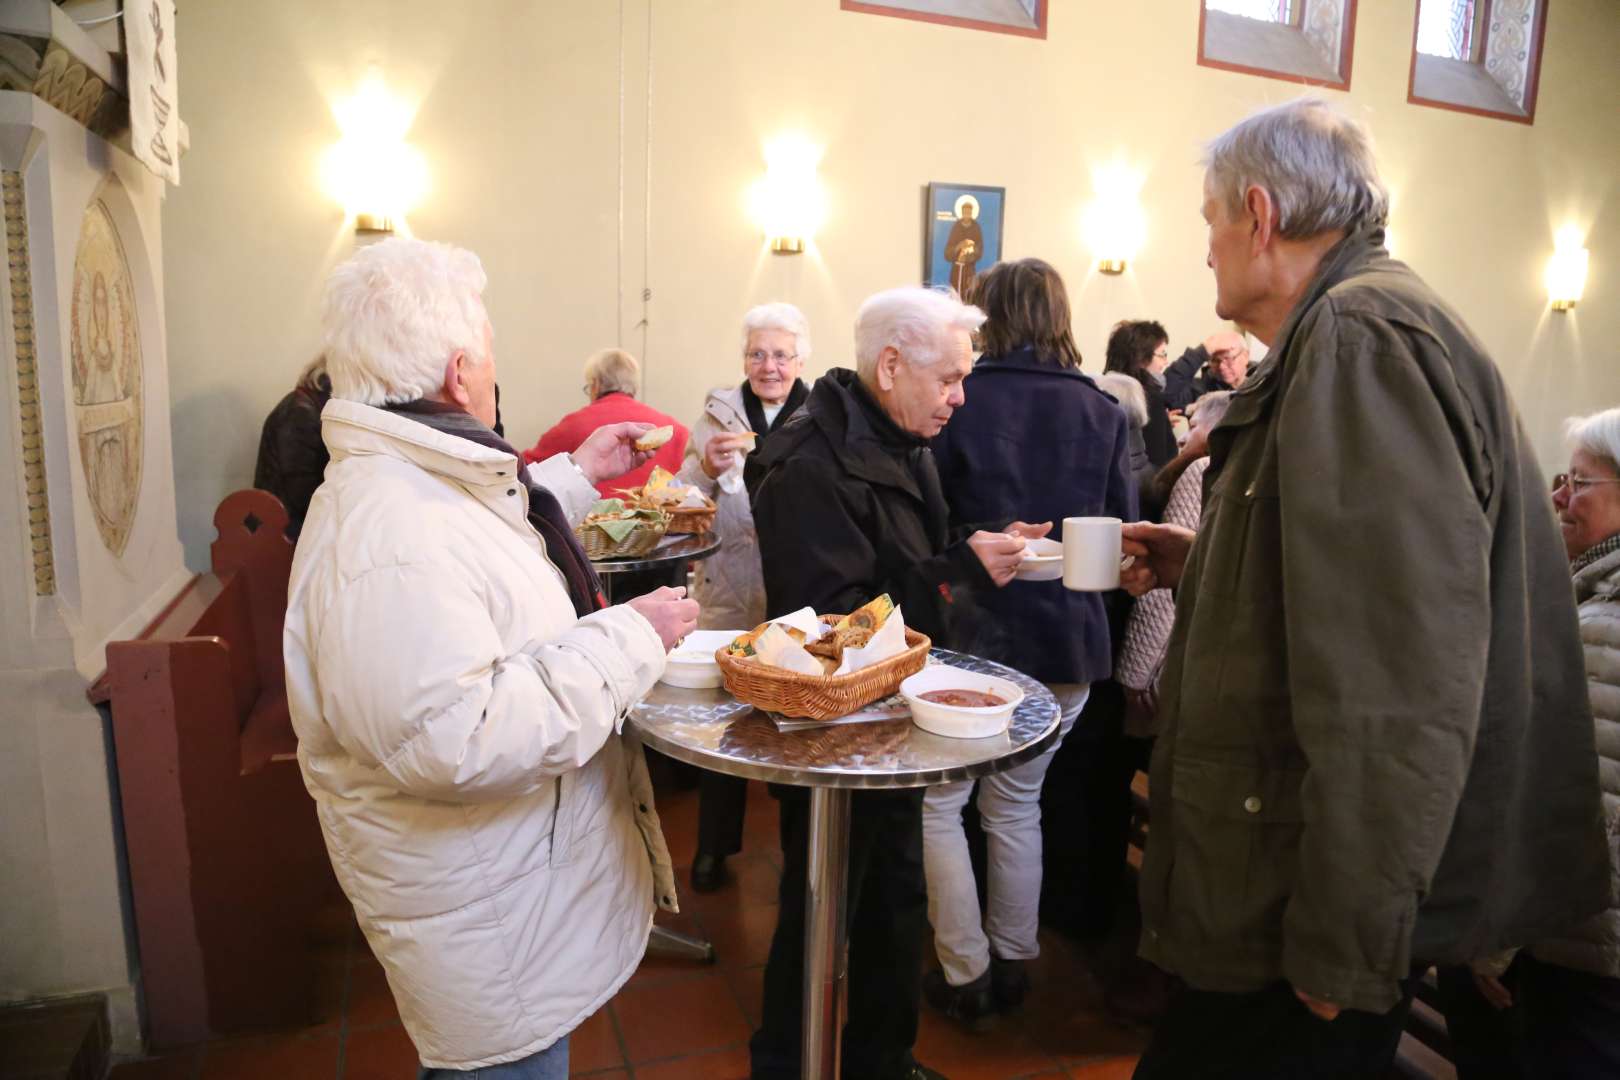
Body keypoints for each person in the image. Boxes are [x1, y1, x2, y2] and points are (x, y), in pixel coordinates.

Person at [1118, 99, 1609, 1079]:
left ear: (1258, 215)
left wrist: (1347, 938)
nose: (1206, 247)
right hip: (1279, 872)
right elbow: (1349, 590)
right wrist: (1207, 566)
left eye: (1210, 218)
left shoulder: (1359, 338)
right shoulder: (1355, 326)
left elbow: (1399, 680)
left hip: (1296, 906)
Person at [283, 237, 701, 1078]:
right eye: (493, 351)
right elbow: (458, 735)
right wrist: (633, 635)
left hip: (502, 893)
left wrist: (577, 474)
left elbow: (486, 540)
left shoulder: (407, 481)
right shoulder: (390, 531)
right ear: (460, 371)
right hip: (485, 921)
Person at [746, 285, 1042, 1080]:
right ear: (889, 365)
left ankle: (884, 1062)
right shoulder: (810, 461)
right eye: (948, 378)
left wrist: (975, 549)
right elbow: (833, 630)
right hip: (831, 736)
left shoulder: (902, 437)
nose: (960, 396)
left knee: (895, 908)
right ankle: (786, 1066)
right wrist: (959, 572)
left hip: (894, 721)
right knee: (819, 921)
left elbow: (919, 551)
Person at [923, 258, 1135, 1025]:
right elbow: (1117, 534)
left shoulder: (963, 401)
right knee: (1018, 806)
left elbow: (932, 524)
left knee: (939, 806)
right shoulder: (1107, 410)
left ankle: (963, 970)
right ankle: (1014, 962)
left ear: (987, 315)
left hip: (973, 630)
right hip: (1067, 641)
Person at [676, 302, 812, 893]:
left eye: (781, 354)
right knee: (725, 723)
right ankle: (712, 849)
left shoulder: (820, 415)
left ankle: (800, 852)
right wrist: (704, 469)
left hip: (798, 587)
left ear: (799, 359)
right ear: (744, 360)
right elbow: (680, 502)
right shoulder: (717, 414)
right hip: (729, 587)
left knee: (797, 724)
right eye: (758, 354)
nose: (770, 366)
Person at [522, 347, 688, 497]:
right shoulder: (676, 431)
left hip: (590, 527)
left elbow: (523, 471)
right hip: (662, 526)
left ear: (595, 385)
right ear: (634, 387)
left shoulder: (572, 426)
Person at [253, 355, 331, 536]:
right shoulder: (299, 413)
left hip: (288, 525)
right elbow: (301, 493)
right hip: (285, 532)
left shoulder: (304, 406)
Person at [1103, 320, 1177, 469]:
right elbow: (1159, 462)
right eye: (1162, 355)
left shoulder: (1100, 392)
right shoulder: (1148, 397)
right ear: (1142, 357)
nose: (1166, 362)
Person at [1162, 330, 1249, 411]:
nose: (1222, 366)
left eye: (1228, 358)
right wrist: (1203, 350)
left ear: (1245, 356)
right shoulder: (1197, 390)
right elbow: (1161, 394)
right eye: (1215, 360)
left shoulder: (1260, 386)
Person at [944, 196, 983, 296]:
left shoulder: (976, 228)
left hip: (969, 270)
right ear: (961, 213)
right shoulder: (956, 227)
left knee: (968, 295)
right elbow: (947, 252)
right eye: (964, 212)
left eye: (969, 212)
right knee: (955, 295)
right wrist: (959, 246)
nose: (966, 214)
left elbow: (979, 250)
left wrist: (968, 254)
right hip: (956, 270)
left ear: (972, 213)